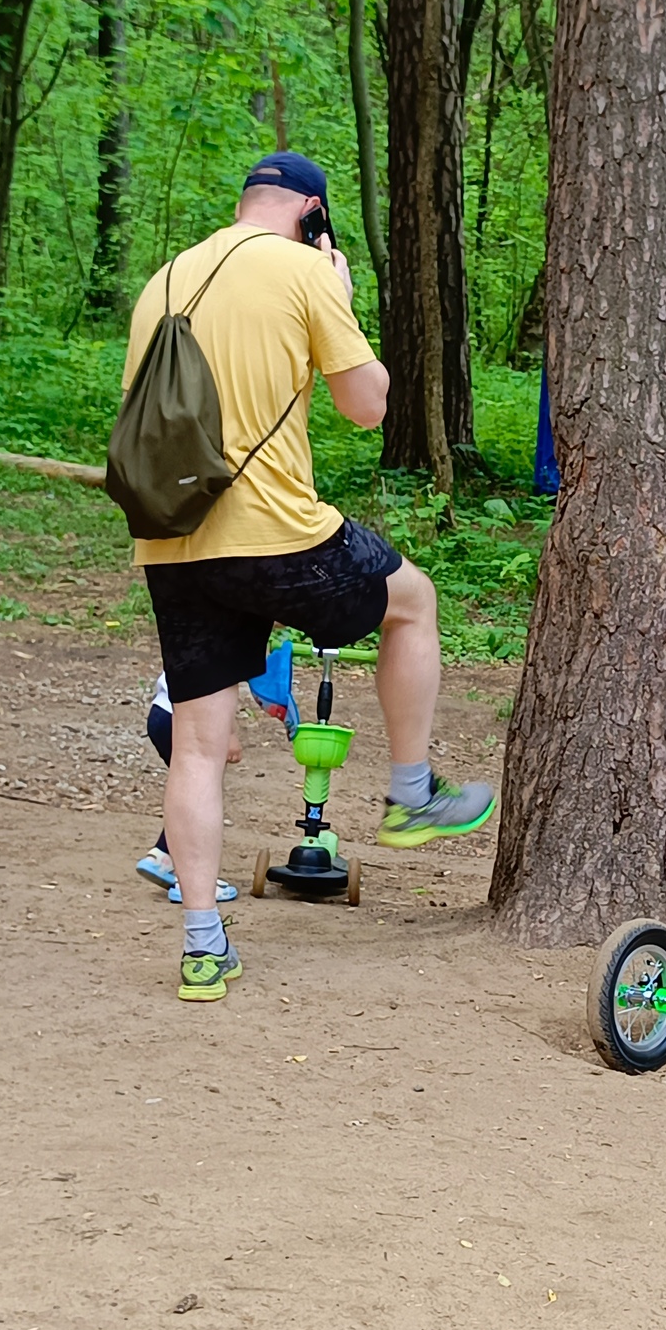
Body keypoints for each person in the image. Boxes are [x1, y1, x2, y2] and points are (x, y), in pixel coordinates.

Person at [124, 151, 495, 1002]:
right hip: (277, 533)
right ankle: (409, 795)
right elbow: (367, 405)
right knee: (414, 601)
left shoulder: (165, 280)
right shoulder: (303, 269)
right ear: (312, 211)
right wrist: (342, 295)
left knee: (198, 747)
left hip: (174, 540)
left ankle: (203, 947)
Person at [134, 671, 240, 903]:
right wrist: (230, 733)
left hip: (161, 712)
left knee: (191, 785)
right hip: (189, 719)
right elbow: (220, 681)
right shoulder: (229, 639)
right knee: (202, 788)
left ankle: (162, 855)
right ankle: (188, 883)